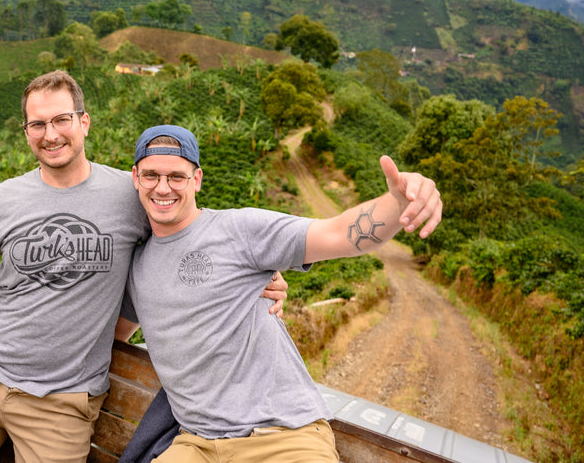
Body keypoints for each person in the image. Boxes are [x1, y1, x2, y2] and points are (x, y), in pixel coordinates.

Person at [0, 72, 287, 463]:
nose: (51, 134)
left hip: (62, 400)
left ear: (84, 121)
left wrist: (258, 272)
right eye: (38, 124)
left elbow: (192, 231)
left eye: (61, 119)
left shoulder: (129, 196)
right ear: (26, 131)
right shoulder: (6, 198)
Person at [120, 125, 442, 463]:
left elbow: (338, 234)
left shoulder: (239, 230)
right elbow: (115, 336)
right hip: (196, 444)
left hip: (282, 437)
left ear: (197, 179)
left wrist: (398, 202)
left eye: (176, 177)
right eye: (151, 175)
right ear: (135, 178)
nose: (162, 187)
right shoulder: (138, 268)